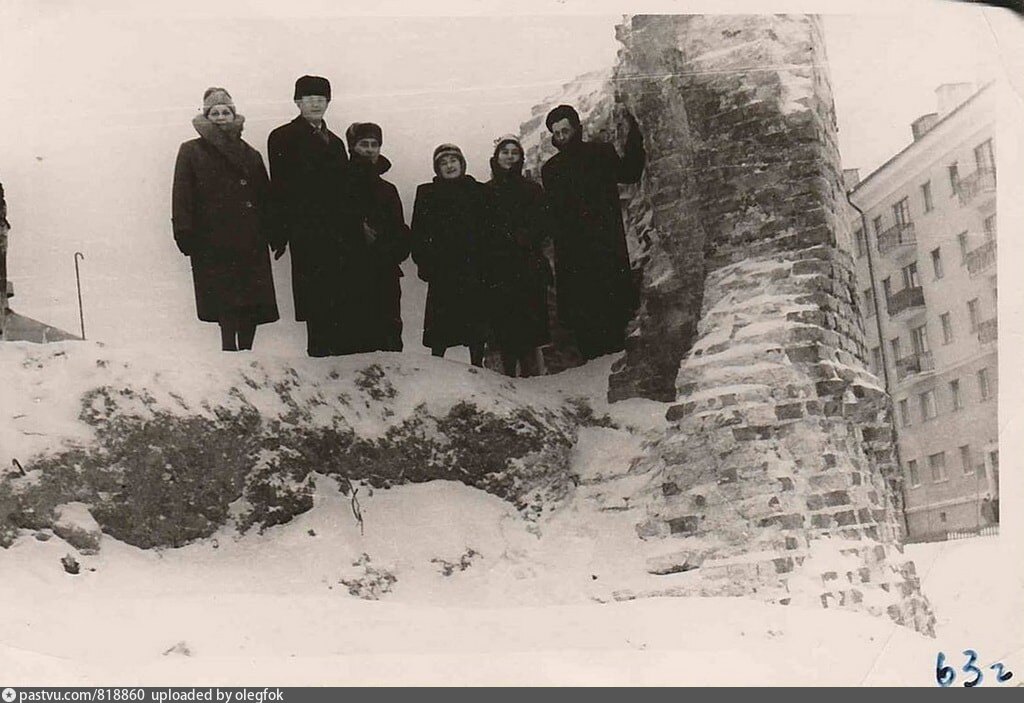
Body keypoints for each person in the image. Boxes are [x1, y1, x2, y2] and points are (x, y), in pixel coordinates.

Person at [171, 87, 279, 351]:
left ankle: (247, 353)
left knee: (251, 300)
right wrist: (184, 230)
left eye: (225, 112)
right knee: (226, 299)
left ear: (234, 115)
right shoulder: (192, 150)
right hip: (213, 237)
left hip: (251, 237)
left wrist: (275, 232)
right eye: (215, 113)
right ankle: (229, 351)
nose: (221, 117)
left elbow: (265, 196)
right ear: (207, 117)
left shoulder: (250, 153)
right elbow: (182, 193)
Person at [540, 103, 645, 360]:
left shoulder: (600, 152)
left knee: (614, 308)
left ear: (577, 128)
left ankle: (618, 360)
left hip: (605, 244)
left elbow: (630, 172)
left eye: (565, 131)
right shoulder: (550, 169)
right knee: (583, 315)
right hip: (573, 252)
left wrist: (635, 134)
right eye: (557, 133)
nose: (562, 137)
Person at [267, 75, 361, 357]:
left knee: (338, 291)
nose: (316, 104)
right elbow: (279, 185)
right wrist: (280, 232)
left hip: (337, 229)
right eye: (309, 99)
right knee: (314, 294)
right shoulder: (282, 136)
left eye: (321, 99)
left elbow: (345, 189)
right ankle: (317, 353)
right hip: (306, 228)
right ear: (297, 102)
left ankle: (337, 354)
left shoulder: (335, 142)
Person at [411, 144, 491, 366]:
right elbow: (418, 232)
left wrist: (487, 262)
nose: (449, 166)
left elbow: (488, 231)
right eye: (443, 163)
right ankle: (436, 365)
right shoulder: (427, 193)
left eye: (453, 160)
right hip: (442, 269)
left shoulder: (478, 191)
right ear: (437, 168)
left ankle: (478, 365)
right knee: (441, 325)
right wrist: (424, 263)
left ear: (462, 163)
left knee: (475, 324)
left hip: (473, 267)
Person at [483, 134, 551, 377]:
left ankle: (531, 375)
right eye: (505, 152)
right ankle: (506, 376)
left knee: (528, 322)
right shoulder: (486, 191)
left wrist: (525, 236)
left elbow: (544, 222)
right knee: (503, 322)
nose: (510, 157)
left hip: (527, 264)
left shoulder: (532, 189)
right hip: (498, 267)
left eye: (514, 153)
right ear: (496, 157)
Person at [344, 122, 411, 352]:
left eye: (375, 144)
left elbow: (401, 232)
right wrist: (357, 231)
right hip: (350, 274)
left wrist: (384, 246)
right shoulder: (340, 183)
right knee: (355, 340)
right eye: (364, 144)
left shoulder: (388, 190)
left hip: (385, 273)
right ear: (352, 147)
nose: (370, 149)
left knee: (388, 340)